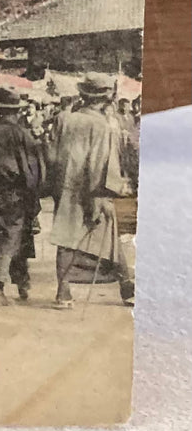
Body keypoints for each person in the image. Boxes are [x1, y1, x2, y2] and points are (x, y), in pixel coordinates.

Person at [48, 73, 134, 309]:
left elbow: (52, 156)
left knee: (65, 239)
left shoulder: (64, 118)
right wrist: (107, 193)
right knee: (111, 239)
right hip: (95, 190)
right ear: (106, 97)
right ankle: (128, 289)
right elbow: (100, 165)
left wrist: (57, 185)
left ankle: (63, 293)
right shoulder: (102, 126)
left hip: (65, 188)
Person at [0, 88, 43, 305]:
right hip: (15, 194)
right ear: (16, 111)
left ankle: (21, 282)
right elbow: (33, 170)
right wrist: (34, 194)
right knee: (13, 237)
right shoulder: (21, 134)